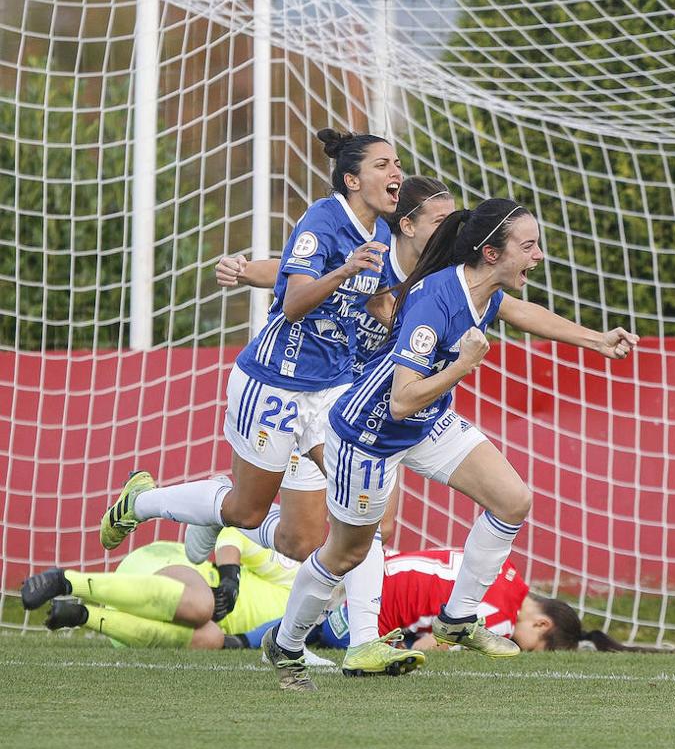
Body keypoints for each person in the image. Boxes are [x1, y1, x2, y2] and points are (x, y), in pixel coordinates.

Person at [260, 197, 640, 690]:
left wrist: (595, 340)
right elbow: (399, 400)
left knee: (512, 500)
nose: (538, 256)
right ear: (490, 253)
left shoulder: (484, 292)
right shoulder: (434, 303)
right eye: (528, 247)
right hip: (372, 434)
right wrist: (463, 365)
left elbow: (525, 312)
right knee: (345, 554)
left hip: (427, 422)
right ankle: (286, 644)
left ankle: (458, 619)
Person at [96, 127, 413, 676]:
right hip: (273, 381)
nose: (396, 174)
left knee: (355, 514)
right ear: (352, 178)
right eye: (384, 165)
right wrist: (342, 271)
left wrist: (388, 313)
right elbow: (292, 300)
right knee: (246, 508)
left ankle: (364, 641)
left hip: (330, 390)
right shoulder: (323, 219)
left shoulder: (382, 234)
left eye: (399, 164)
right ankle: (142, 503)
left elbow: (370, 290)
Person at [211, 176, 457, 660]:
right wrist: (243, 271)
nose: (450, 231)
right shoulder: (371, 247)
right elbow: (292, 274)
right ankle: (356, 641)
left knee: (306, 538)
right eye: (441, 221)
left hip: (354, 406)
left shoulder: (433, 276)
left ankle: (348, 636)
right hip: (313, 391)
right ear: (407, 225)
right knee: (356, 519)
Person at [230, 548, 640, 654]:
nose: (518, 649)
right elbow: (434, 644)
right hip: (375, 609)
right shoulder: (496, 621)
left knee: (314, 624)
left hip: (376, 571)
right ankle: (243, 642)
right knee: (321, 636)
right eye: (531, 647)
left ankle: (245, 640)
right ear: (541, 625)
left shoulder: (509, 572)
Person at [18, 528, 309, 652]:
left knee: (213, 639)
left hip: (134, 626)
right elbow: (233, 533)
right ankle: (65, 581)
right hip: (167, 572)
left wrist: (242, 642)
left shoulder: (317, 620)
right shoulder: (299, 571)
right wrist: (229, 582)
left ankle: (82, 615)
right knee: (202, 605)